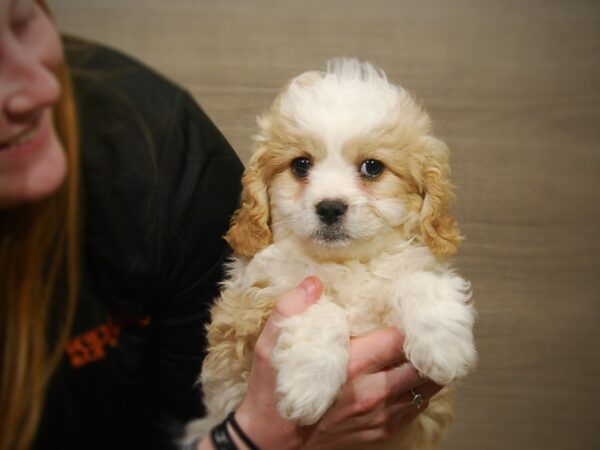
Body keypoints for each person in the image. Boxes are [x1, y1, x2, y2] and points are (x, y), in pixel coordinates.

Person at [0, 1, 442, 449]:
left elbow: (188, 409)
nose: (38, 88)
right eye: (301, 165)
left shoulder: (161, 148)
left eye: (22, 19)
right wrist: (250, 439)